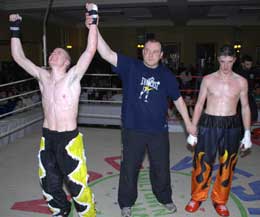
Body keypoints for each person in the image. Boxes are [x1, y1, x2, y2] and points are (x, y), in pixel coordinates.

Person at [86, 13, 196, 217]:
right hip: (132, 129)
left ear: (162, 55)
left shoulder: (167, 76)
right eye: (147, 51)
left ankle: (164, 197)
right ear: (142, 52)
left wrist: (188, 124)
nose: (151, 55)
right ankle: (126, 202)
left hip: (158, 131)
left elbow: (179, 100)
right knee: (129, 168)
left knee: (161, 168)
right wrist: (94, 26)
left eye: (155, 52)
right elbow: (106, 53)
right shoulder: (131, 67)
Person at [10, 3, 98, 217]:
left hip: (69, 140)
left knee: (77, 185)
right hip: (47, 138)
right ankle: (60, 211)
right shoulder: (43, 77)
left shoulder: (73, 77)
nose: (53, 54)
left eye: (58, 52)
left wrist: (93, 18)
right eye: (52, 52)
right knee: (49, 183)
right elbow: (19, 58)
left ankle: (88, 214)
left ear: (67, 61)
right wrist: (15, 29)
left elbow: (90, 50)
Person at [185, 45, 252, 217]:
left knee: (227, 164)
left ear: (234, 61)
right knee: (202, 161)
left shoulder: (241, 81)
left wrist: (247, 132)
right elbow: (199, 104)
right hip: (209, 122)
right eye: (222, 62)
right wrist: (193, 130)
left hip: (232, 124)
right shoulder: (208, 79)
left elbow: (245, 107)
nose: (225, 66)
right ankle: (197, 196)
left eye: (229, 62)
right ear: (218, 60)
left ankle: (220, 200)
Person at [237, 54, 258, 123]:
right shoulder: (238, 73)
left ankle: (249, 129)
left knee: (254, 114)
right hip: (240, 97)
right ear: (242, 64)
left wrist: (256, 87)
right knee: (241, 116)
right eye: (247, 64)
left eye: (250, 64)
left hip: (250, 95)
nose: (250, 66)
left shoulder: (252, 71)